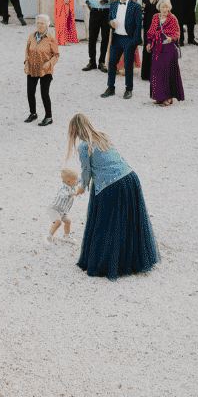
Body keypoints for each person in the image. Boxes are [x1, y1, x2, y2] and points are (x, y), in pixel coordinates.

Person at [68, 114, 159, 279]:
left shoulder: (84, 147)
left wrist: (81, 188)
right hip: (130, 177)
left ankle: (110, 262)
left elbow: (86, 171)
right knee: (129, 221)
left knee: (108, 223)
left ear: (74, 130)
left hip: (111, 184)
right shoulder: (103, 136)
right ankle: (132, 259)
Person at [101, 0, 141, 100]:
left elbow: (139, 25)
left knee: (128, 65)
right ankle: (110, 87)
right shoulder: (113, 4)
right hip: (116, 37)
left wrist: (134, 41)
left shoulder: (136, 6)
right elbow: (109, 18)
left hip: (128, 39)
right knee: (112, 63)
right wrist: (110, 23)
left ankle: (129, 89)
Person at [148, 0, 184, 107]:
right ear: (159, 7)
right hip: (157, 48)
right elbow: (150, 31)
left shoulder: (172, 18)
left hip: (168, 49)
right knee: (157, 73)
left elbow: (177, 33)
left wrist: (171, 39)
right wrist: (149, 42)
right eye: (162, 7)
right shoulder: (155, 17)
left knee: (167, 74)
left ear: (169, 8)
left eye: (166, 7)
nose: (164, 9)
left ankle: (168, 98)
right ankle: (159, 97)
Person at [24, 15, 59, 126]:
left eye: (42, 23)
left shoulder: (51, 38)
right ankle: (33, 113)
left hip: (45, 70)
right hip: (32, 68)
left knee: (44, 93)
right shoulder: (31, 36)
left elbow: (56, 55)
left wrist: (49, 63)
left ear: (47, 25)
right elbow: (27, 51)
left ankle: (48, 117)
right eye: (38, 23)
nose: (39, 25)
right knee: (30, 92)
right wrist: (26, 63)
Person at [48, 168, 84, 242]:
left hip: (63, 210)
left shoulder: (72, 183)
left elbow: (81, 180)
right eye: (75, 179)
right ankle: (49, 237)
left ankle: (66, 236)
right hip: (54, 208)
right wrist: (75, 193)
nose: (77, 181)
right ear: (68, 181)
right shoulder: (62, 187)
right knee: (58, 222)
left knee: (68, 222)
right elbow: (64, 194)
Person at [140, 0, 165, 82]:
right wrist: (143, 7)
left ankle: (155, 73)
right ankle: (145, 73)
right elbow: (143, 9)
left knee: (156, 46)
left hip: (157, 25)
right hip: (147, 23)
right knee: (147, 45)